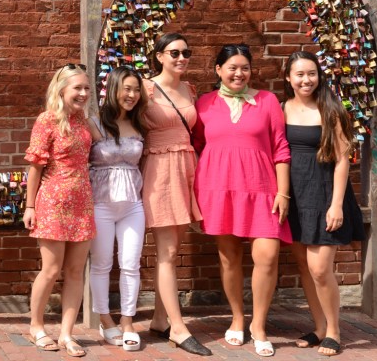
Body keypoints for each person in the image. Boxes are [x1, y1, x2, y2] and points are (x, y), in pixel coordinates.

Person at [193, 44, 291, 357]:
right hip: (219, 190)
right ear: (218, 70)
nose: (239, 73)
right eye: (232, 67)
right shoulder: (204, 104)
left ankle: (259, 324)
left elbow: (281, 148)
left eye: (244, 67)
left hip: (262, 189)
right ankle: (237, 317)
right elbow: (195, 146)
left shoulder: (268, 101)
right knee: (228, 258)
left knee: (267, 255)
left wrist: (283, 191)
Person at [282, 51, 365, 356]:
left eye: (312, 73)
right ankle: (319, 328)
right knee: (305, 266)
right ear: (289, 78)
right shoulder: (282, 108)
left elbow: (343, 160)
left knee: (319, 268)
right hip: (295, 193)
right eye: (300, 74)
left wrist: (337, 205)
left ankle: (334, 330)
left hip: (325, 193)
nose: (307, 80)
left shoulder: (330, 109)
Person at [140, 33, 211, 356]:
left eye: (186, 52)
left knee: (173, 247)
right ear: (158, 56)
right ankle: (179, 329)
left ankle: (159, 318)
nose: (181, 58)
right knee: (167, 253)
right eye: (174, 53)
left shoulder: (189, 89)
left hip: (186, 168)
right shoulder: (144, 89)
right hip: (159, 170)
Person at [23, 63, 96, 358]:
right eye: (77, 88)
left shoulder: (84, 121)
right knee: (51, 269)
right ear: (62, 89)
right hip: (53, 203)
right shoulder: (48, 120)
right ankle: (36, 326)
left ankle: (67, 333)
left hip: (83, 203)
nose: (82, 93)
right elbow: (35, 167)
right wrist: (30, 206)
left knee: (76, 271)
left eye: (87, 88)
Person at [87, 66, 147, 351]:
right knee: (101, 265)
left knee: (131, 265)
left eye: (136, 89)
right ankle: (105, 319)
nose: (132, 95)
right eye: (127, 88)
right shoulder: (94, 123)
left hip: (133, 204)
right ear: (112, 89)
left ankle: (127, 321)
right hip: (101, 204)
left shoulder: (140, 124)